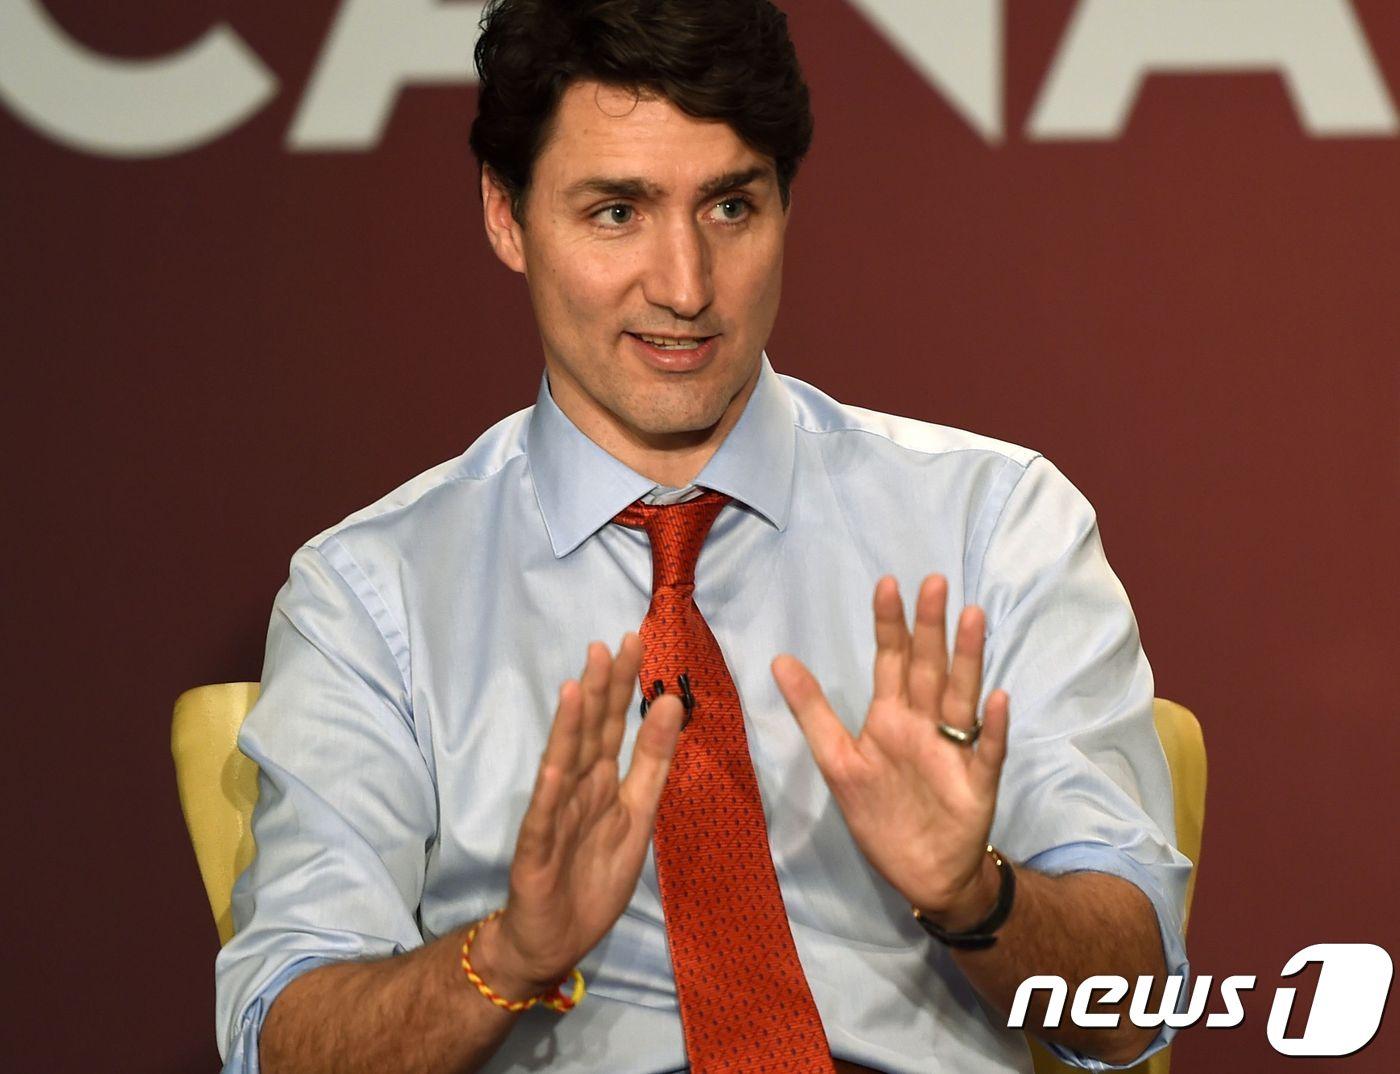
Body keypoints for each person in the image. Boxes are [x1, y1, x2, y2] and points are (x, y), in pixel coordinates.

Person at [214, 2, 1192, 1071]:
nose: (684, 287)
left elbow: (1132, 1009)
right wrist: (509, 954)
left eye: (730, 206)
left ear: (785, 204)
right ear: (505, 215)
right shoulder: (374, 594)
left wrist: (974, 895)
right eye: (616, 212)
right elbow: (283, 1037)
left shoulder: (993, 525)